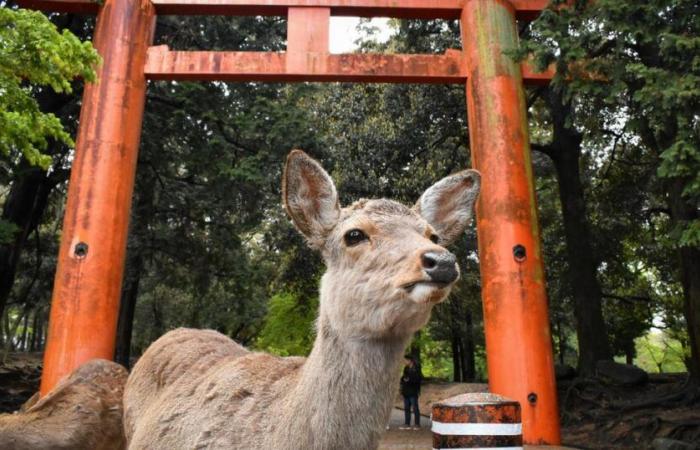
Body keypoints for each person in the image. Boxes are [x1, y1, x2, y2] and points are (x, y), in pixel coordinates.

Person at [399, 355, 422, 430]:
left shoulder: (417, 368)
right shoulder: (406, 368)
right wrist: (403, 380)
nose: (404, 362)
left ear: (410, 360)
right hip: (406, 391)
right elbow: (403, 378)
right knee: (406, 408)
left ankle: (417, 424)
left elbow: (418, 379)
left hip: (413, 391)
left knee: (415, 408)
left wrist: (409, 380)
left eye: (405, 360)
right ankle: (407, 423)